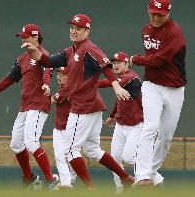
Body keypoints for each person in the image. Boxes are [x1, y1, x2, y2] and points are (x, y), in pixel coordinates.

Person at [22, 14, 134, 188]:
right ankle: (126, 179)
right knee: (93, 150)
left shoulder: (89, 48)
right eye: (72, 28)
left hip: (84, 107)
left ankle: (90, 188)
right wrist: (35, 51)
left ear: (87, 31)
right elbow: (49, 61)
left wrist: (116, 86)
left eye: (78, 28)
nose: (74, 31)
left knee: (70, 150)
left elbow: (106, 65)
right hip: (91, 106)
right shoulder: (71, 50)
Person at [0, 24, 59, 189]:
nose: (22, 38)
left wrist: (46, 85)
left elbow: (47, 70)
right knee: (16, 143)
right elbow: (8, 79)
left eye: (26, 35)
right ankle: (30, 177)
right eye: (21, 35)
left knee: (31, 142)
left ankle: (51, 180)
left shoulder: (43, 54)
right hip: (25, 106)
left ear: (35, 37)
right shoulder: (22, 59)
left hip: (38, 104)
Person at [129, 0, 187, 185]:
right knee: (150, 127)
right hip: (152, 85)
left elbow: (161, 59)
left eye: (159, 14)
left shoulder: (174, 32)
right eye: (152, 13)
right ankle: (143, 175)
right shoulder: (146, 30)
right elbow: (153, 62)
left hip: (174, 89)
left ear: (168, 13)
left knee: (166, 136)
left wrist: (135, 59)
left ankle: (151, 173)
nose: (155, 18)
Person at [98, 51, 143, 193]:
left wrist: (89, 83)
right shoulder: (121, 80)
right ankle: (121, 189)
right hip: (121, 126)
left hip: (136, 125)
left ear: (127, 63)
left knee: (129, 157)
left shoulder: (131, 77)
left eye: (119, 62)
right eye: (114, 63)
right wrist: (112, 116)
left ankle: (153, 177)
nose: (115, 65)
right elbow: (120, 101)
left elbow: (107, 83)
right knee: (115, 160)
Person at [48, 67, 76, 188]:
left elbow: (50, 101)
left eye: (62, 74)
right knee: (60, 156)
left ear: (69, 76)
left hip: (70, 129)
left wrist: (35, 100)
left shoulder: (67, 88)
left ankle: (69, 182)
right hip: (59, 128)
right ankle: (66, 184)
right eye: (58, 73)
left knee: (72, 157)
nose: (58, 76)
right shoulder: (62, 88)